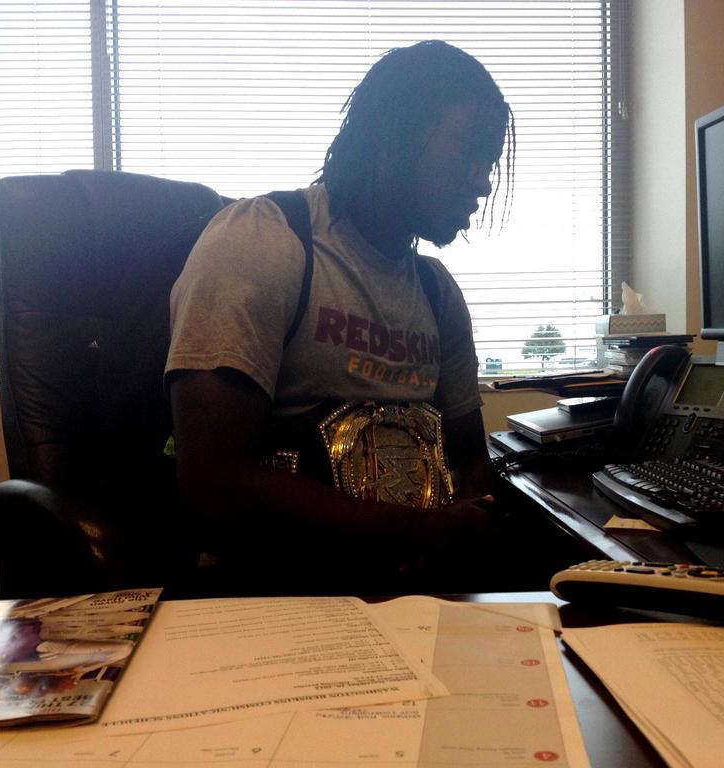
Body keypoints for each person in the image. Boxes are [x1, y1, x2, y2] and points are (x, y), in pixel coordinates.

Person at [165, 40, 566, 594]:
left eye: (490, 162)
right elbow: (212, 490)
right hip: (277, 593)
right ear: (393, 136)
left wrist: (471, 529)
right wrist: (425, 531)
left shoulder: (437, 293)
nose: (483, 182)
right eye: (469, 152)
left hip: (417, 595)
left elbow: (470, 465)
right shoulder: (264, 241)